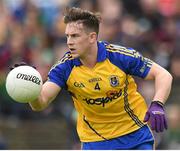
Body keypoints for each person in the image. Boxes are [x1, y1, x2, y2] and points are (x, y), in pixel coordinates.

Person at [12, 7, 173, 150]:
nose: (69, 42)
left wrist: (157, 103)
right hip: (95, 141)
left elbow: (163, 75)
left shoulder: (119, 56)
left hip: (135, 135)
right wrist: (31, 88)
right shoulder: (64, 68)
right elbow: (41, 102)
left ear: (92, 37)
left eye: (75, 36)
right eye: (67, 36)